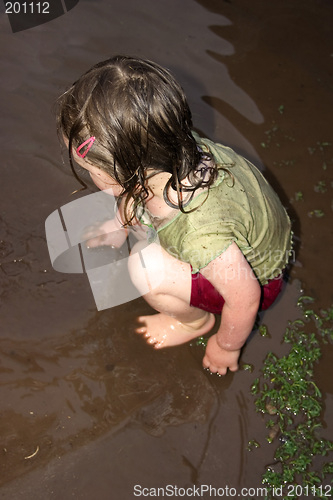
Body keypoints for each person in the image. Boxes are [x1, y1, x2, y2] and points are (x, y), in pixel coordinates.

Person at [56, 55, 292, 376]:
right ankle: (131, 224)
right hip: (246, 231)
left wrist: (226, 346)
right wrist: (119, 223)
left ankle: (194, 321)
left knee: (146, 268)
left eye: (90, 170)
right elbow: (129, 186)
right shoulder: (167, 146)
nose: (90, 176)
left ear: (129, 172)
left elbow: (246, 297)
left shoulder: (201, 232)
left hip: (259, 279)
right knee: (136, 206)